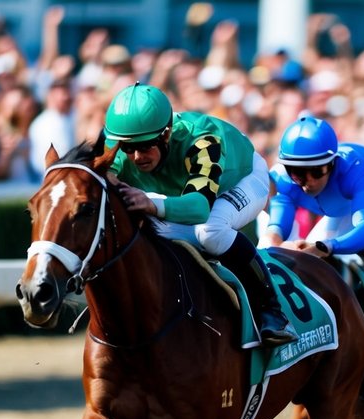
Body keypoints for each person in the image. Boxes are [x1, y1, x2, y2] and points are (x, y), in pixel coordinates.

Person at [104, 82, 294, 346]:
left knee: (211, 232)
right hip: (184, 190)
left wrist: (151, 204)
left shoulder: (202, 140)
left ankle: (271, 310)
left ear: (166, 134)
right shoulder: (118, 140)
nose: (136, 157)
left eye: (146, 146)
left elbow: (199, 208)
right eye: (128, 148)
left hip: (242, 179)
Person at [260, 115, 364, 327]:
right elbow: (277, 227)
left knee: (359, 248)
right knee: (310, 256)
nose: (309, 182)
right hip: (338, 203)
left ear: (332, 163)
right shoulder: (283, 178)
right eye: (298, 173)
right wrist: (272, 241)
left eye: (316, 170)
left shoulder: (354, 169)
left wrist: (327, 247)